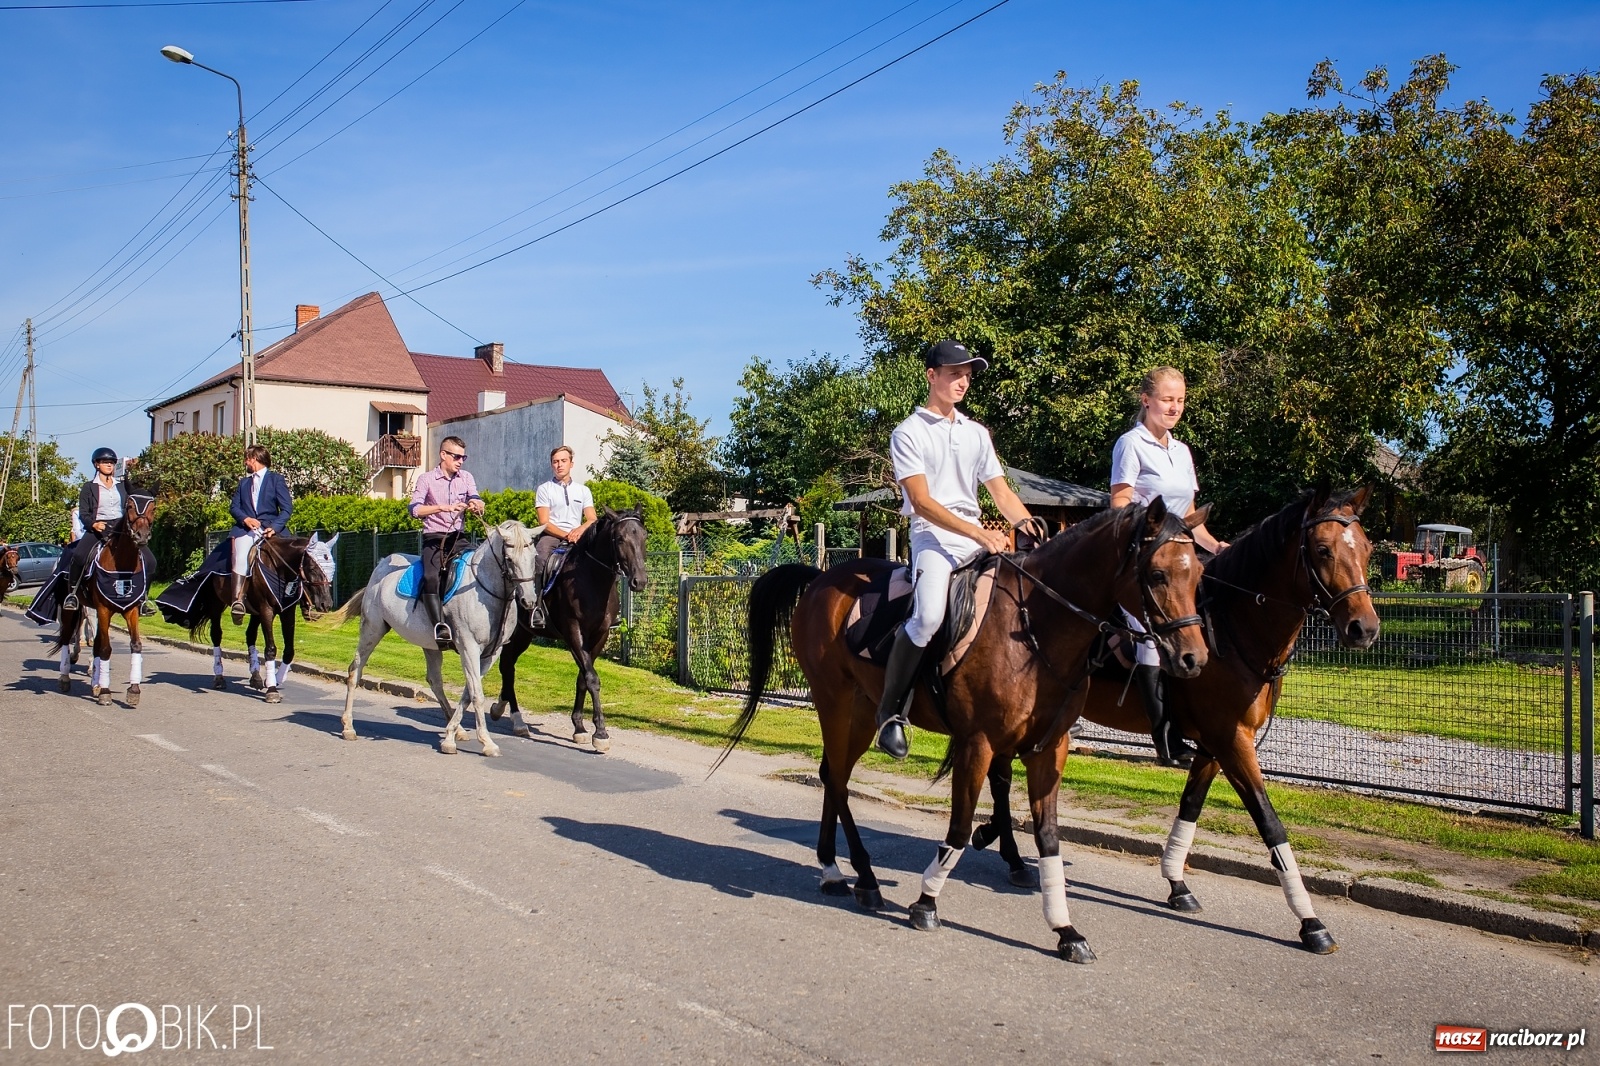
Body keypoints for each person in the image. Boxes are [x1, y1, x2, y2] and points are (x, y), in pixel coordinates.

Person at [875, 339, 1040, 760]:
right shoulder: (908, 432)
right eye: (954, 374)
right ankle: (891, 713)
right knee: (928, 615)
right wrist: (979, 532)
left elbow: (1000, 491)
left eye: (967, 375)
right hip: (933, 538)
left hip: (976, 539)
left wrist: (1027, 525)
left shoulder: (976, 433)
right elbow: (923, 501)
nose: (962, 382)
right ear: (932, 376)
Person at [1109, 365, 1226, 767]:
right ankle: (1165, 741)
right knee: (1149, 639)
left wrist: (1217, 545)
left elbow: (1191, 516)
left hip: (1181, 558)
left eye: (1180, 400)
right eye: (1166, 399)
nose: (1174, 407)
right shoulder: (1131, 443)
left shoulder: (1182, 451)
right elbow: (1120, 504)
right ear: (1146, 400)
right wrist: (1149, 533)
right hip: (1144, 560)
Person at [408, 436, 484, 649]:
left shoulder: (466, 477)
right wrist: (442, 507)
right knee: (431, 576)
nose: (460, 461)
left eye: (463, 457)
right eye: (456, 456)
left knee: (478, 565)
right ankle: (439, 626)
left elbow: (476, 497)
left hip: (458, 539)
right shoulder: (426, 479)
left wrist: (477, 505)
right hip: (434, 539)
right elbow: (415, 509)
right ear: (443, 455)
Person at [62, 448, 138, 613]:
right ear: (96, 464)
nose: (109, 465)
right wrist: (93, 524)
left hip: (121, 530)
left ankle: (143, 599)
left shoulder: (122, 486)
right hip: (98, 529)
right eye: (105, 462)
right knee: (79, 556)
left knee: (149, 560)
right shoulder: (89, 487)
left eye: (112, 462)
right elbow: (84, 513)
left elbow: (130, 507)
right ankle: (73, 594)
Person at [228, 444, 294, 624]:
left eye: (247, 459)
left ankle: (303, 600)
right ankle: (238, 601)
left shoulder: (276, 480)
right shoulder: (244, 483)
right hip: (248, 530)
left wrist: (275, 527)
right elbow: (234, 507)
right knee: (240, 555)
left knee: (294, 558)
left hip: (271, 530)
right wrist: (245, 519)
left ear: (254, 459)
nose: (245, 462)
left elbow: (287, 508)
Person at [532, 445, 596, 624]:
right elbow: (544, 522)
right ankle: (535, 607)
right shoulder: (544, 489)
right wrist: (567, 535)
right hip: (553, 535)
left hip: (578, 537)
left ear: (571, 463)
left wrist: (579, 531)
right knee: (540, 557)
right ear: (551, 465)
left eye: (563, 461)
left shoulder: (583, 490)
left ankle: (608, 609)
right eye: (555, 462)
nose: (559, 465)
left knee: (603, 557)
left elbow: (592, 518)